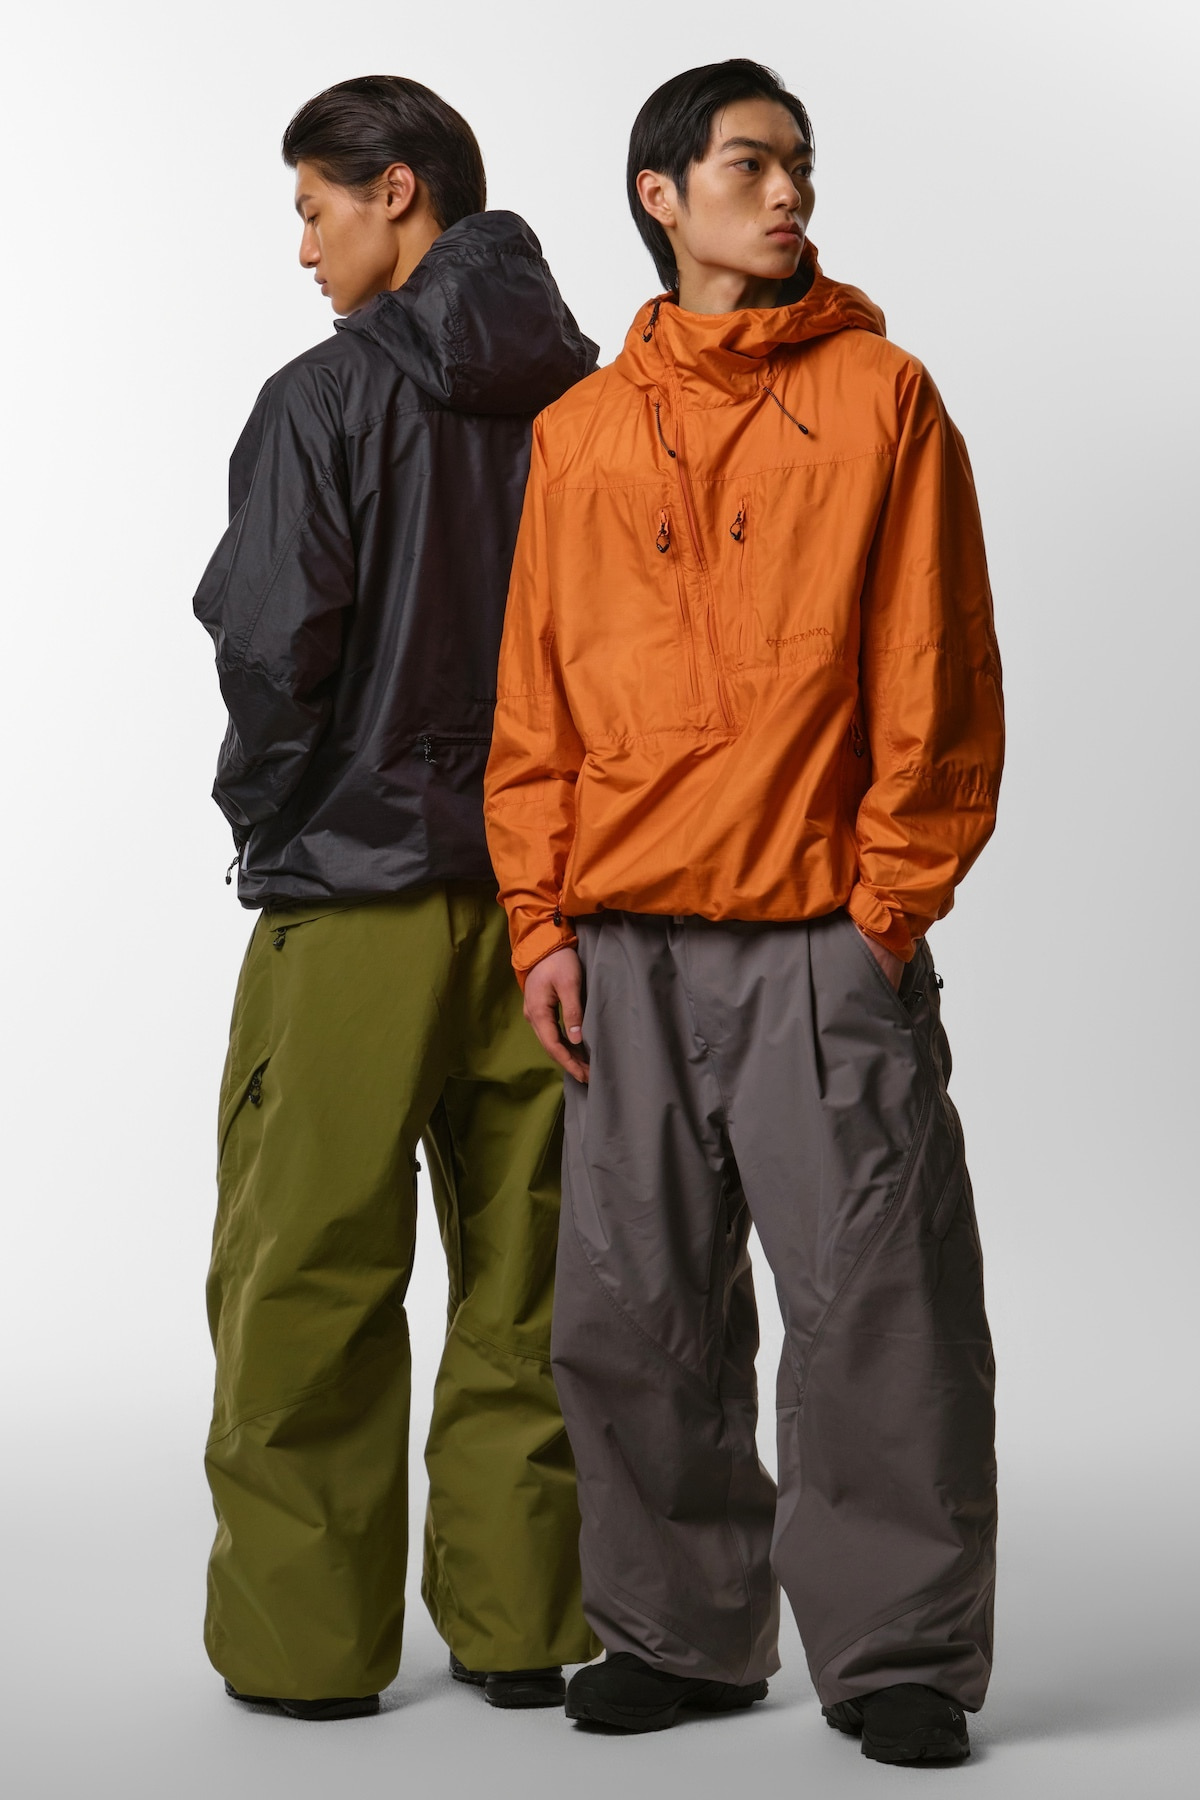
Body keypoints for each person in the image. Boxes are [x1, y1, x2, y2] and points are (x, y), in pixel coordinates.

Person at [484, 58, 1003, 1765]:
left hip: (815, 943)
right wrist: (541, 923)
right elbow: (535, 705)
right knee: (628, 1312)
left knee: (878, 1311)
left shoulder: (881, 397)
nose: (790, 195)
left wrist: (885, 912)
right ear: (662, 193)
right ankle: (676, 1634)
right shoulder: (576, 432)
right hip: (621, 943)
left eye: (800, 167)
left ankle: (897, 1654)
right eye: (751, 165)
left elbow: (935, 669)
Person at [194, 74, 600, 1721]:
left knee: (303, 1275)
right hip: (554, 909)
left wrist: (270, 821)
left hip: (357, 897)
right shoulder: (594, 405)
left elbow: (271, 648)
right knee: (535, 1276)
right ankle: (524, 1626)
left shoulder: (324, 398)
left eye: (315, 208)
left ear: (399, 191)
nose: (304, 247)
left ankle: (307, 1655)